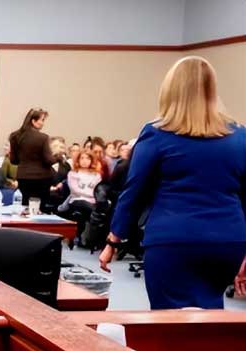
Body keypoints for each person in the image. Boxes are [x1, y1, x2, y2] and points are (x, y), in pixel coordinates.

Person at [101, 56, 246, 309]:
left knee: (169, 319)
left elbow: (134, 191)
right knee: (212, 314)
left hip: (173, 240)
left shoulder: (156, 133)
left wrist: (114, 240)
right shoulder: (240, 136)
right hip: (227, 241)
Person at [8, 108, 54, 205]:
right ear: (33, 121)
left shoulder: (14, 136)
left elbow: (14, 160)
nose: (43, 123)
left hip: (23, 177)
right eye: (42, 120)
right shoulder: (43, 138)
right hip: (42, 178)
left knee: (24, 206)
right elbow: (49, 160)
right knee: (40, 207)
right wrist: (58, 157)